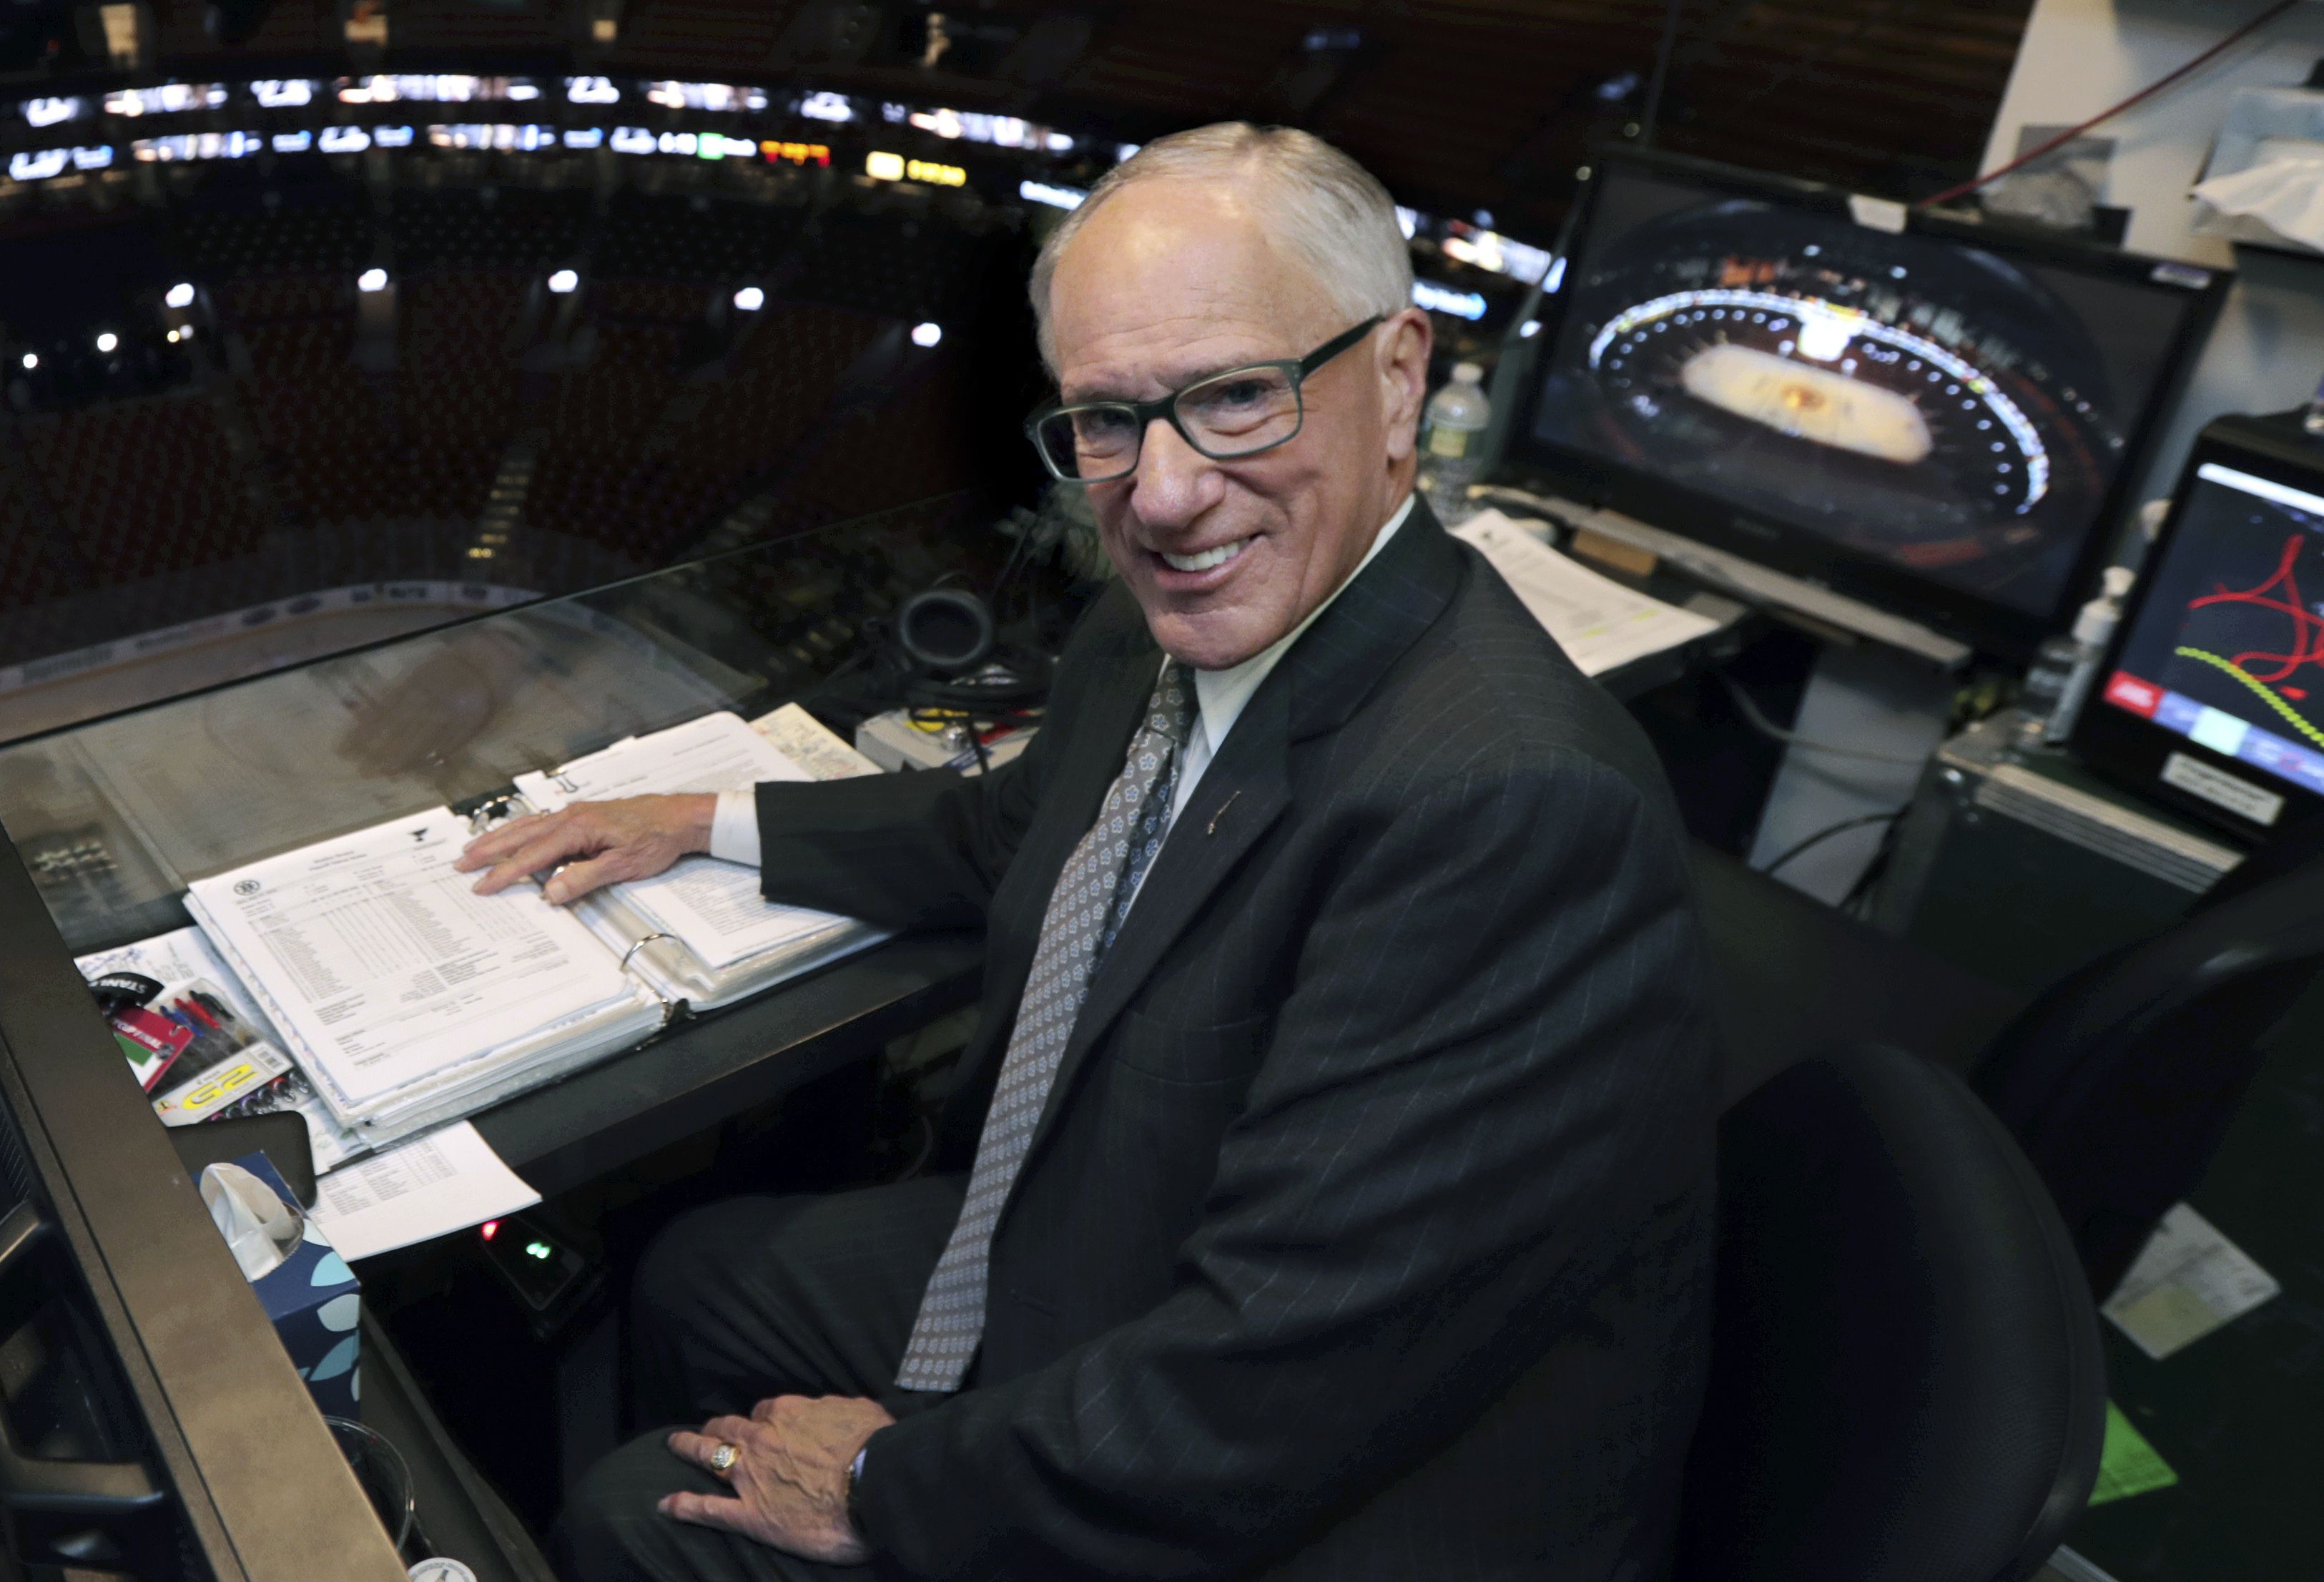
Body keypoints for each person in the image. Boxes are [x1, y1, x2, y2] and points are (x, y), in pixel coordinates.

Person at [458, 122, 1718, 1582]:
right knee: (699, 1279)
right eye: (1107, 420)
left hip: (1315, 1479)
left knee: (632, 1519)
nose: (1164, 493)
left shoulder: (1506, 809)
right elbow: (1009, 834)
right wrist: (700, 820)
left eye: (1236, 397)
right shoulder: (1158, 630)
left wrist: (876, 1476)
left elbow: (1265, 1389)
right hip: (1142, 1257)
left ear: (1395, 379)